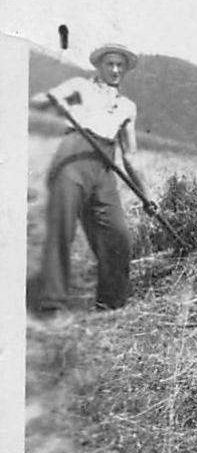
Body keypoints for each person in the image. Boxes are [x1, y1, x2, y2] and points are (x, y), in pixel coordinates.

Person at [28, 43, 144, 317]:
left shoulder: (127, 106)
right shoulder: (80, 86)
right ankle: (52, 303)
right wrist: (51, 99)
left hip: (104, 167)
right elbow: (41, 100)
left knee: (118, 235)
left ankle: (111, 303)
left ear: (125, 69)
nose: (115, 70)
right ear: (99, 66)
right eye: (109, 64)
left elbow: (131, 155)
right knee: (62, 230)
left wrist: (145, 194)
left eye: (120, 65)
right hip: (73, 159)